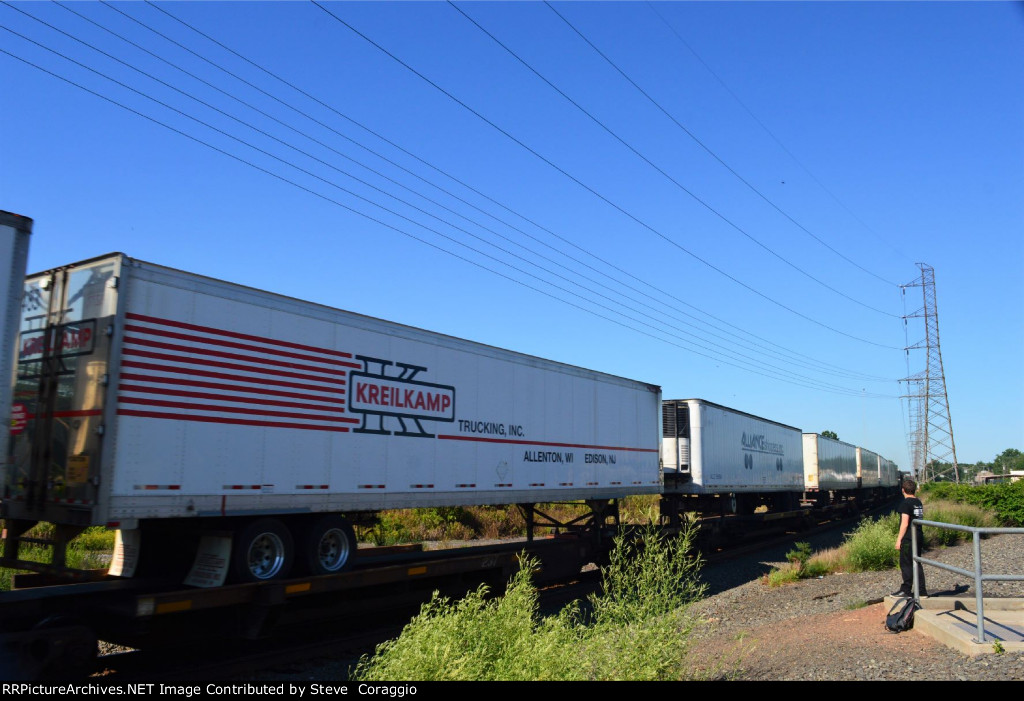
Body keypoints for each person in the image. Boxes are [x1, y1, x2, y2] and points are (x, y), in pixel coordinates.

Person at [893, 478, 927, 597]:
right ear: (914, 490)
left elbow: (905, 523)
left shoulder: (905, 503)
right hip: (918, 535)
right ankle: (922, 591)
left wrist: (899, 540)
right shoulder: (918, 502)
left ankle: (906, 589)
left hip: (908, 538)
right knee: (917, 563)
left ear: (903, 490)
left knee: (906, 563)